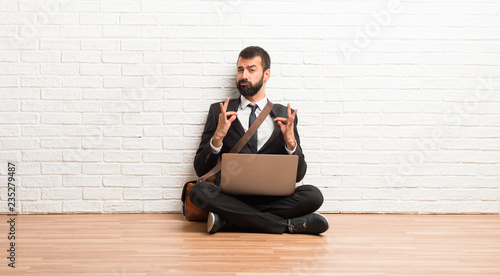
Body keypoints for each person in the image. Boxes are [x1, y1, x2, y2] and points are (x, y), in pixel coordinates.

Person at [190, 46, 329, 235]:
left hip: (272, 198)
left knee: (313, 195)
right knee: (199, 192)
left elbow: (299, 175)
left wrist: (291, 144)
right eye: (240, 70)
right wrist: (217, 138)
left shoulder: (284, 115)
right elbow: (201, 169)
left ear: (266, 74)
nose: (244, 75)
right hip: (231, 196)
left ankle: (231, 221)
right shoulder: (220, 111)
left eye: (251, 69)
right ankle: (286, 225)